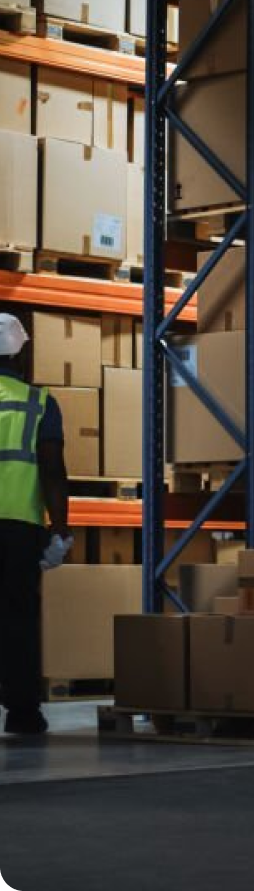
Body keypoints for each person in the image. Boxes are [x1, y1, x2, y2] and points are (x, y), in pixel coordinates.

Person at [0, 314, 72, 736]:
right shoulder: (39, 402)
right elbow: (52, 469)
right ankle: (23, 713)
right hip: (21, 528)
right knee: (19, 618)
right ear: (21, 353)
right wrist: (60, 526)